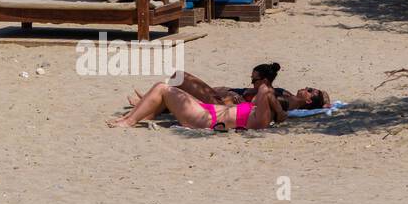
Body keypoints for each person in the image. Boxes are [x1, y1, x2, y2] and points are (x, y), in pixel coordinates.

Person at [110, 80, 286, 130]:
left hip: (205, 119)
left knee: (162, 88)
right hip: (206, 112)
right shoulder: (258, 113)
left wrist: (279, 110)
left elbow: (264, 89)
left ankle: (129, 121)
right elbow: (264, 92)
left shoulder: (262, 118)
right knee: (161, 88)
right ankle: (130, 117)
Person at [153, 65, 331, 113]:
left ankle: (154, 103)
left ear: (308, 100)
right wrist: (325, 103)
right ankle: (154, 102)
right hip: (226, 101)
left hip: (225, 106)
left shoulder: (286, 104)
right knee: (179, 77)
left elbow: (257, 106)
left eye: (310, 90)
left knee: (180, 77)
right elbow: (326, 97)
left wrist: (236, 100)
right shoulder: (286, 94)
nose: (306, 87)